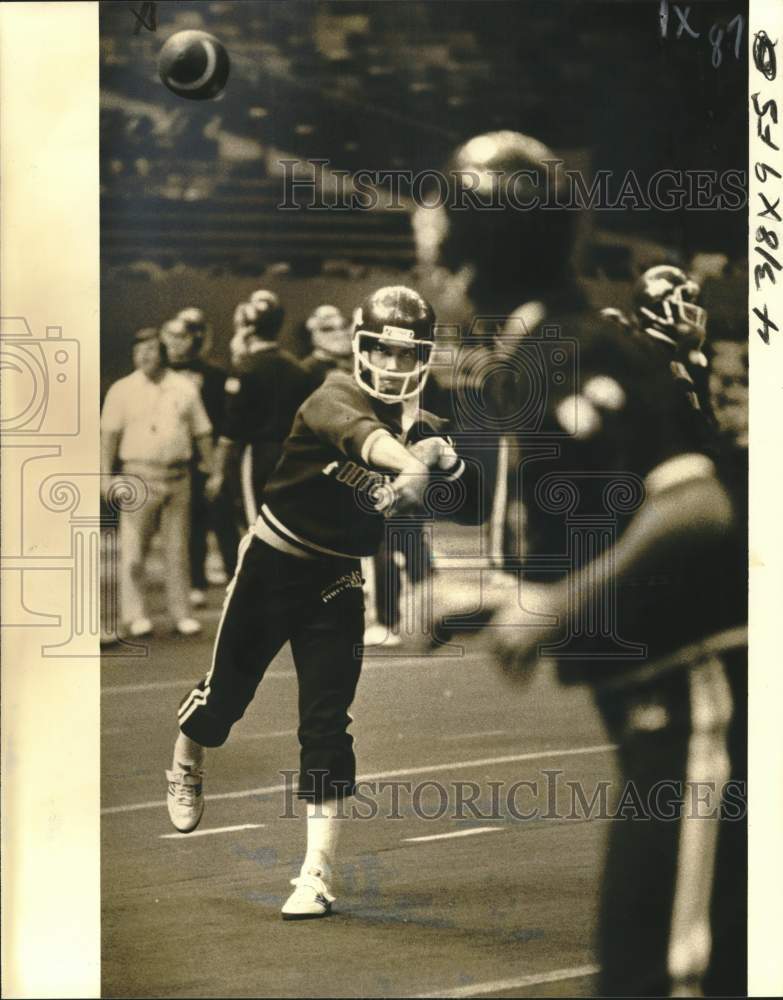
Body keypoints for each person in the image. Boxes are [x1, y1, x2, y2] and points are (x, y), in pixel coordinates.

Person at [421, 129, 747, 996]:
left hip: (701, 704)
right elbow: (613, 533)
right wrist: (491, 595)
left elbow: (691, 505)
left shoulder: (566, 350)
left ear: (471, 259)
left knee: (675, 973)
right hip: (661, 716)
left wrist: (551, 610)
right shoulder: (538, 353)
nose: (426, 268)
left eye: (438, 244)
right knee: (642, 969)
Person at [164, 286, 479, 920]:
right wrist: (412, 464)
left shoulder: (427, 424)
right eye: (381, 353)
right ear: (359, 349)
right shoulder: (332, 392)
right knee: (223, 702)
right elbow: (363, 437)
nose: (392, 367)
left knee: (327, 726)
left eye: (406, 355)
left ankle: (315, 873)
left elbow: (469, 508)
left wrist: (449, 464)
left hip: (337, 578)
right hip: (273, 564)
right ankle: (188, 752)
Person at [100, 326, 214, 637]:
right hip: (137, 475)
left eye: (150, 350)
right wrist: (104, 475)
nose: (144, 356)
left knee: (178, 550)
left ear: (163, 353)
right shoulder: (121, 390)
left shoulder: (184, 388)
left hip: (178, 476)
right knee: (134, 552)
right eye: (139, 352)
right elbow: (108, 436)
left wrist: (212, 469)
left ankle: (181, 614)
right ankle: (135, 614)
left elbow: (202, 431)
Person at [211, 291, 315, 527]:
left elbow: (231, 427)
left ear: (247, 329)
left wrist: (218, 471)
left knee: (255, 524)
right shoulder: (298, 368)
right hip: (292, 454)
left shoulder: (245, 368)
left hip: (256, 455)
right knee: (285, 524)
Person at [160, 311, 240, 606]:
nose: (176, 343)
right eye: (170, 336)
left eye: (182, 336)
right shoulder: (159, 375)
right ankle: (196, 582)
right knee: (191, 523)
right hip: (178, 458)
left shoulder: (215, 374)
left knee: (223, 520)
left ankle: (236, 578)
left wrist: (218, 462)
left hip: (211, 457)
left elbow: (223, 421)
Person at [300, 304, 353, 382]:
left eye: (344, 326)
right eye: (328, 329)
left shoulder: (357, 365)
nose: (340, 334)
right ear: (312, 335)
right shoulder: (304, 370)